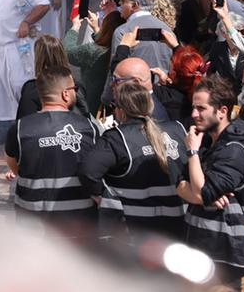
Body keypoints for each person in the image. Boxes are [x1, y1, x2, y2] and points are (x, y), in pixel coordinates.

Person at [177, 76, 244, 285]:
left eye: (201, 108)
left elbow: (200, 191)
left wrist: (192, 153)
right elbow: (180, 183)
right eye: (193, 108)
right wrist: (197, 192)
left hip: (224, 251)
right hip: (203, 245)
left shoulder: (234, 151)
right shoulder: (208, 142)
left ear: (222, 111)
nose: (193, 114)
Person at [78, 81, 185, 248]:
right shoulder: (178, 129)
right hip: (178, 229)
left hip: (134, 233)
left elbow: (88, 171)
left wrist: (102, 196)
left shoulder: (116, 138)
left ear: (120, 111)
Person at [4, 66, 98, 225]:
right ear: (65, 94)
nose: (76, 92)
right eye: (74, 88)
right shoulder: (88, 127)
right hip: (80, 222)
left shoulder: (20, 128)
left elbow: (12, 163)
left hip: (33, 220)